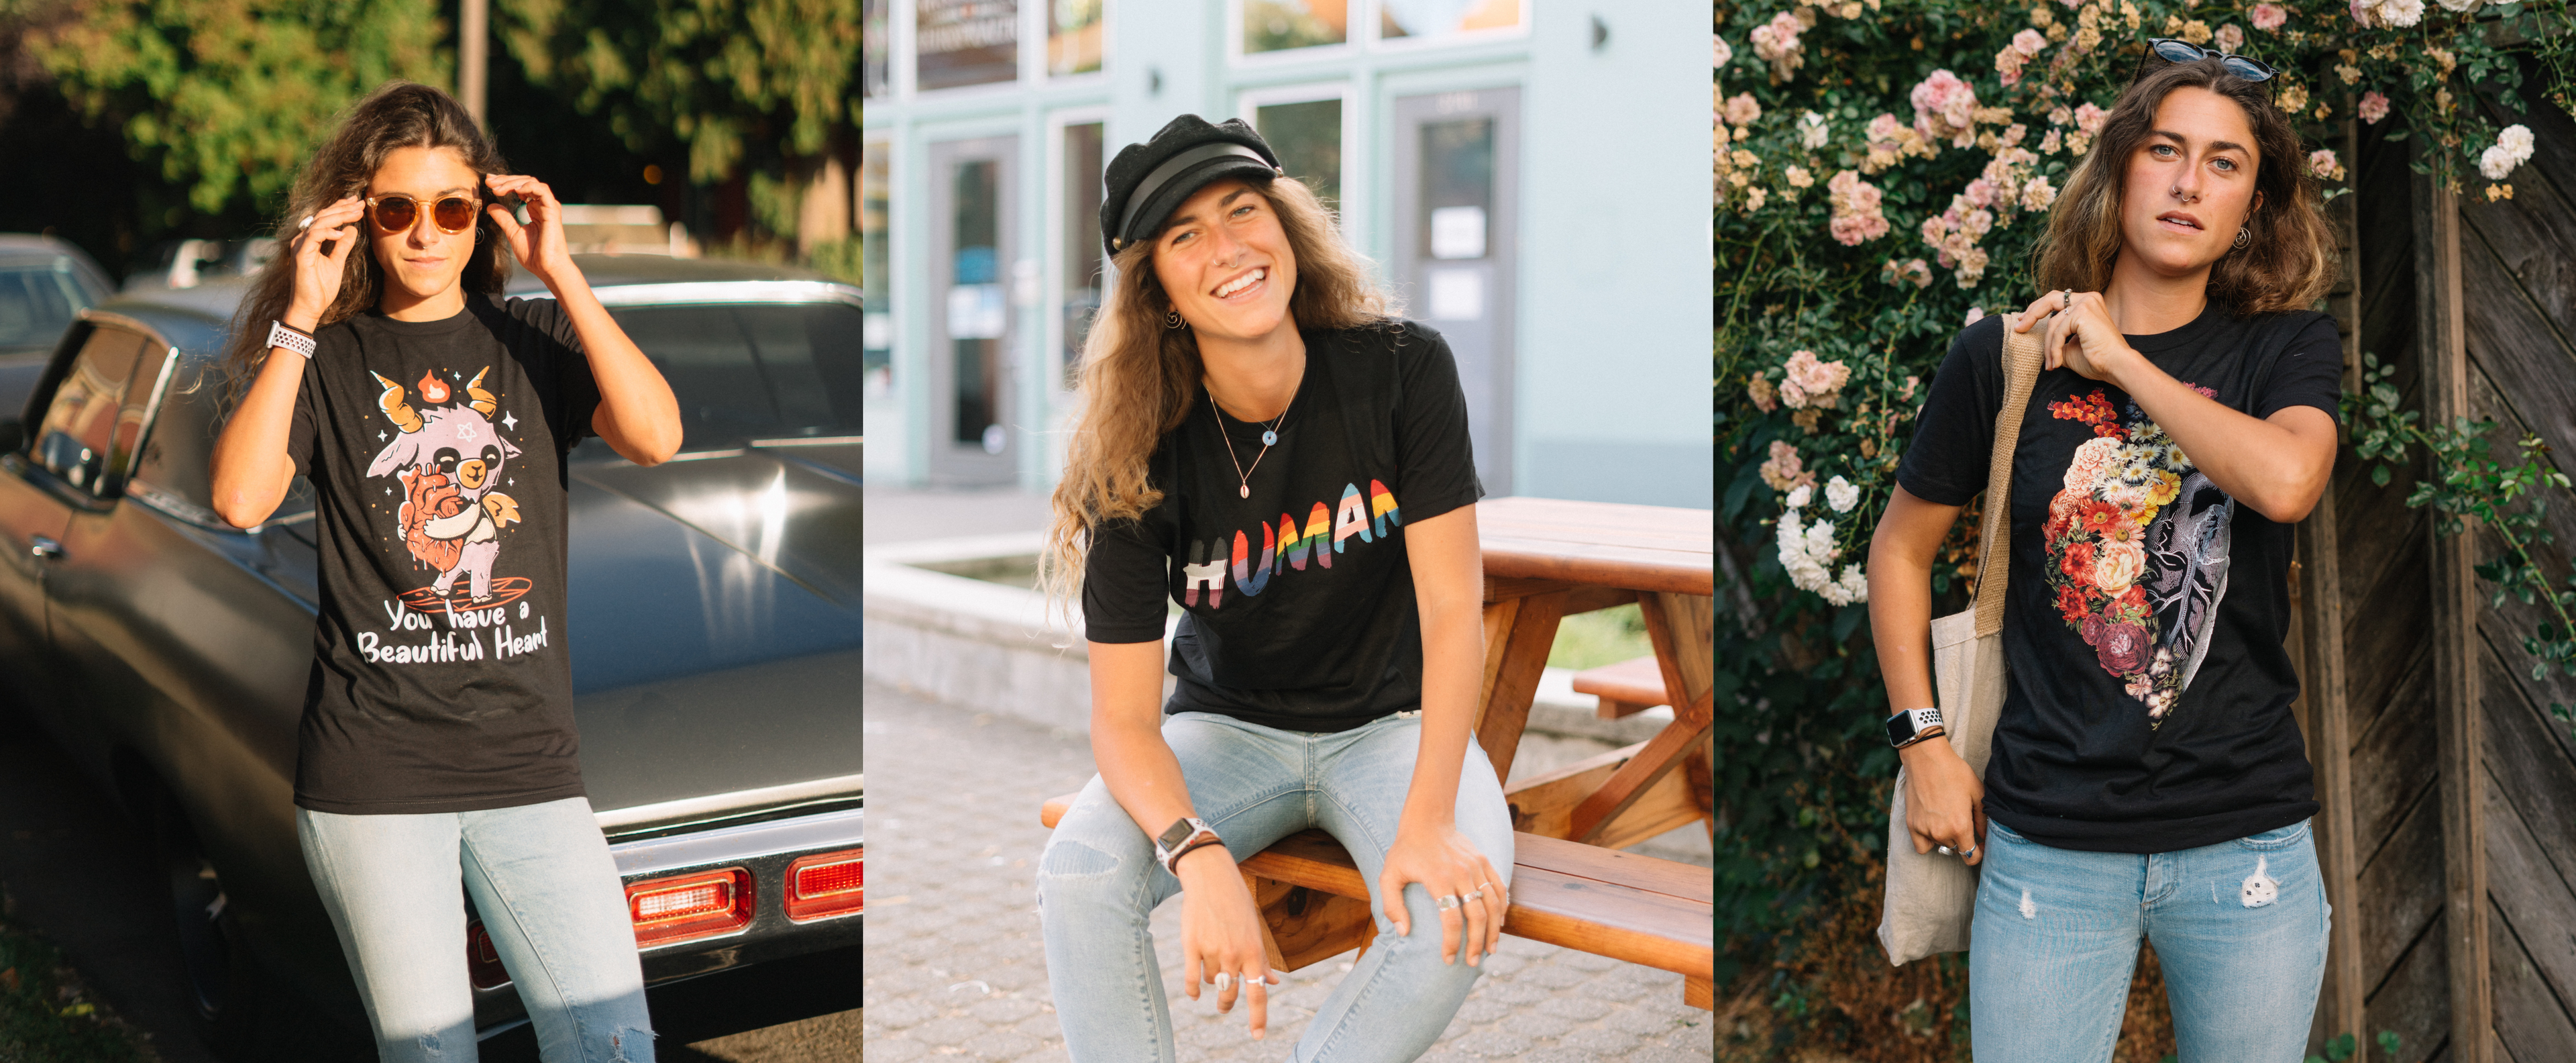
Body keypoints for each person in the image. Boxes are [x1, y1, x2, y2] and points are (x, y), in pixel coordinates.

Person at [1868, 44, 2345, 1061]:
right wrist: (1923, 746)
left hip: (2245, 842)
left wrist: (2122, 359)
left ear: (2253, 208)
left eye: (2225, 163)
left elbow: (2287, 483)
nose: (2188, 181)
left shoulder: (2283, 350)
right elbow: (1899, 555)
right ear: (2120, 168)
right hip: (2050, 843)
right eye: (2166, 150)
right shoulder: (2000, 358)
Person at [207, 81, 681, 1061]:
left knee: (614, 1045)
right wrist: (298, 310)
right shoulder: (328, 359)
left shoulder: (534, 342)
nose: (426, 233)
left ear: (483, 218)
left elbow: (656, 435)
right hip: (374, 773)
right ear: (362, 219)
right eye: (399, 210)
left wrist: (564, 272)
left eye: (451, 208)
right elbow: (241, 500)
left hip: (529, 765)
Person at [1032, 114, 1511, 1063]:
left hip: (1394, 724)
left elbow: (1456, 615)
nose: (1229, 248)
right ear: (1158, 290)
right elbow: (1124, 722)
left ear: (1287, 228)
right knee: (1080, 871)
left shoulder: (1404, 371)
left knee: (1455, 904)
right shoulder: (1133, 450)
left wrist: (1425, 824)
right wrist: (1195, 852)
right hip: (1228, 732)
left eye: (1243, 211)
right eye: (1186, 235)